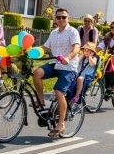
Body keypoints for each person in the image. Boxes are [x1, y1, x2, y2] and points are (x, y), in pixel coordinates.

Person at [33, 8, 80, 138]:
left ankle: (61, 124)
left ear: (68, 18)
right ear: (55, 19)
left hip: (69, 67)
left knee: (59, 92)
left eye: (64, 17)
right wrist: (30, 51)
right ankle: (41, 100)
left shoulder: (73, 32)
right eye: (58, 17)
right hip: (56, 64)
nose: (61, 19)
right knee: (36, 73)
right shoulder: (54, 33)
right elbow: (45, 47)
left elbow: (76, 47)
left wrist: (68, 58)